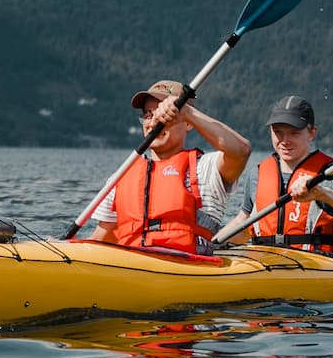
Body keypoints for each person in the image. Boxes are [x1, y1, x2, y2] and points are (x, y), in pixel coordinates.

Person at [88, 79, 250, 256]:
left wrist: (188, 112)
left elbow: (241, 151)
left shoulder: (206, 169)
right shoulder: (121, 176)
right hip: (131, 267)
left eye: (164, 114)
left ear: (188, 123)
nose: (153, 122)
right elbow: (99, 239)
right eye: (148, 114)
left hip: (186, 269)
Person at [227, 95, 333, 250]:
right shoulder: (258, 173)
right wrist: (209, 243)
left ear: (312, 133)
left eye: (294, 133)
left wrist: (322, 194)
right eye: (278, 132)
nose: (285, 140)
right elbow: (244, 224)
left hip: (316, 265)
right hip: (264, 263)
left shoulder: (330, 173)